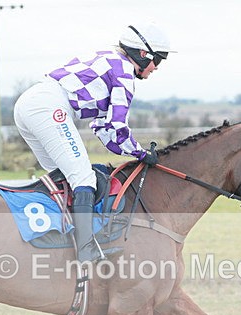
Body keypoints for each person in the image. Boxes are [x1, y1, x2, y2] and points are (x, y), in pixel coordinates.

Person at [13, 22, 172, 263]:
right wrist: (140, 153)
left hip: (30, 103)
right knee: (83, 178)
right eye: (157, 60)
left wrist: (132, 151)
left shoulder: (110, 60)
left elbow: (104, 129)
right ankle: (85, 250)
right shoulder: (124, 72)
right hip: (49, 106)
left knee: (62, 176)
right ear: (143, 54)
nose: (156, 68)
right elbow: (119, 129)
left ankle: (54, 236)